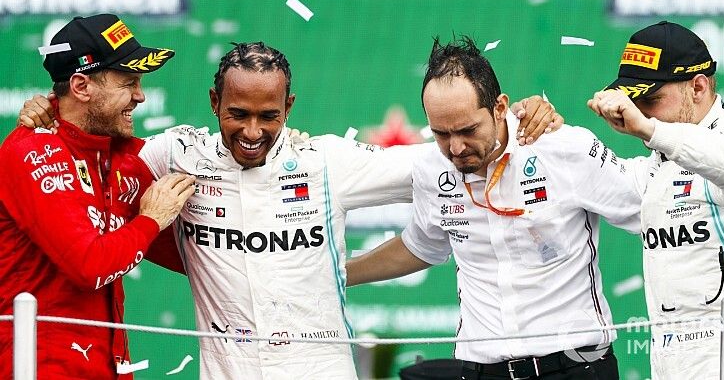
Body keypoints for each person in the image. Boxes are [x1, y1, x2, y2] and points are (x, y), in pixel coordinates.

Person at [19, 41, 557, 379]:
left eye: (268, 116)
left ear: (290, 108)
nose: (252, 132)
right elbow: (89, 152)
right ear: (212, 104)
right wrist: (46, 116)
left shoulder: (325, 161)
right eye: (237, 114)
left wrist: (523, 122)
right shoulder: (174, 154)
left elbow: (456, 149)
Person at [347, 36, 644, 380]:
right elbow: (421, 245)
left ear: (500, 107)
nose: (456, 147)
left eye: (468, 130)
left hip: (573, 367)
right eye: (441, 133)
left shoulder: (563, 147)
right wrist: (339, 276)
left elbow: (650, 212)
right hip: (480, 370)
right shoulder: (431, 167)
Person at [588, 21, 724, 379]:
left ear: (698, 87)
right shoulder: (651, 171)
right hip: (669, 363)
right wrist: (536, 121)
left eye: (650, 100)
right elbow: (575, 166)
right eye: (634, 102)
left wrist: (652, 130)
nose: (640, 112)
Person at [0, 14, 196, 379]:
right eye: (129, 82)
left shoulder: (125, 155)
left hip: (110, 367)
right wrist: (152, 218)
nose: (140, 96)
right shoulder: (31, 153)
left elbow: (189, 257)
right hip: (38, 368)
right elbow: (90, 267)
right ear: (81, 85)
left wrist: (284, 151)